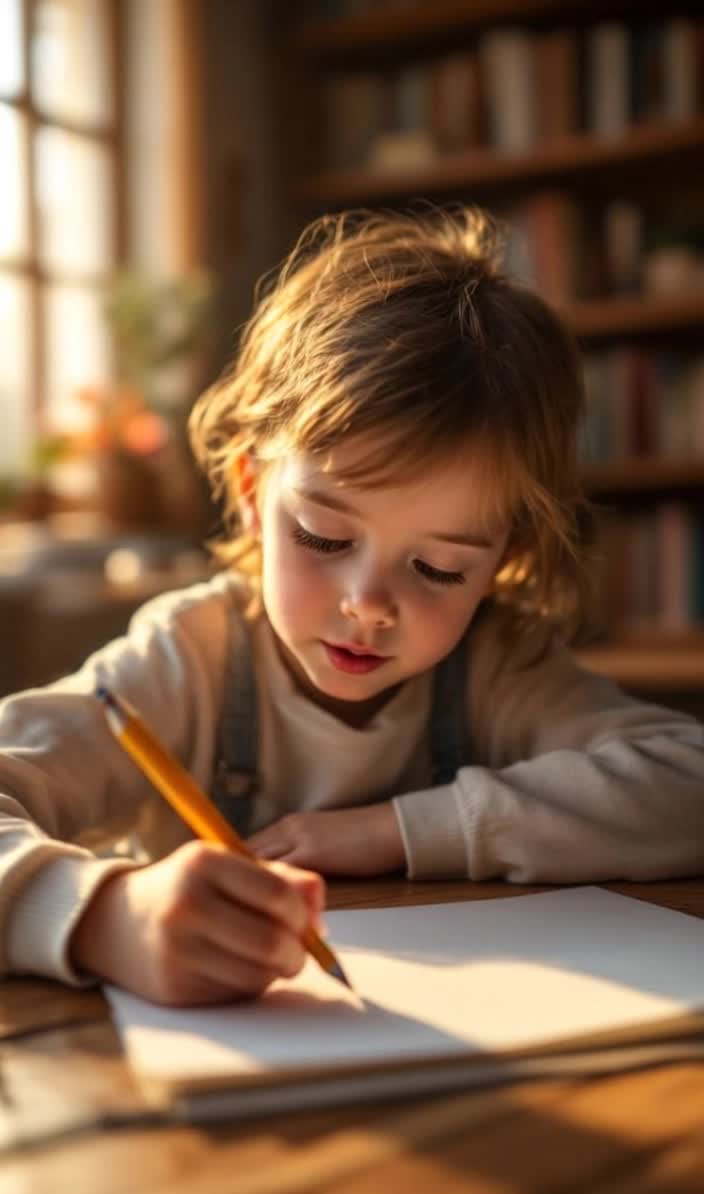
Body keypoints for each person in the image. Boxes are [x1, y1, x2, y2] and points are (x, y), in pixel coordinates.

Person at [1, 206, 703, 1007]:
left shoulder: (499, 664)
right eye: (325, 538)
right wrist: (104, 917)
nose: (369, 607)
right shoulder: (186, 659)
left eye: (438, 569)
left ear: (499, 562)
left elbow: (690, 786)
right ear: (253, 489)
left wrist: (398, 831)